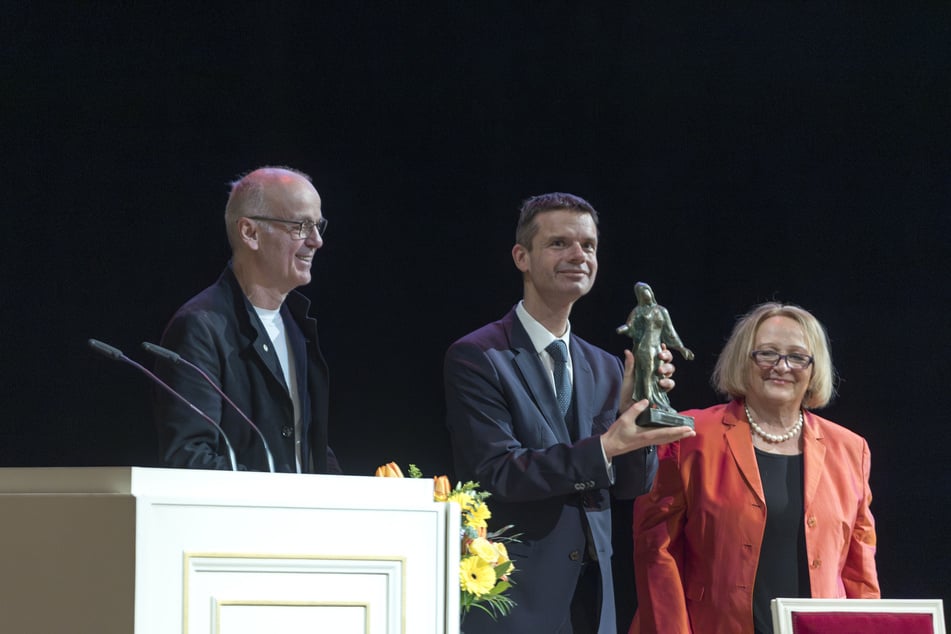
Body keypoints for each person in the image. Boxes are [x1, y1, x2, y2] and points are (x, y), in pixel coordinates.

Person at [444, 192, 696, 634]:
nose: (578, 255)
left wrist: (635, 420)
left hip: (592, 597)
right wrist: (605, 445)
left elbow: (633, 485)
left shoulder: (605, 365)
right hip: (512, 596)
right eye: (559, 243)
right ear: (522, 256)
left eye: (589, 246)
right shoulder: (478, 356)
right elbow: (498, 472)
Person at [630, 302, 879, 634]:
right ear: (743, 360)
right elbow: (657, 553)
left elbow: (859, 572)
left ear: (813, 367)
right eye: (767, 353)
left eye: (797, 356)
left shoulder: (850, 449)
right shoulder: (689, 436)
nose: (781, 366)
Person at [152, 166, 341, 474]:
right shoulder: (200, 328)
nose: (317, 240)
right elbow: (189, 459)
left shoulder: (296, 324)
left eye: (318, 225)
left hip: (299, 518)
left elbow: (308, 447)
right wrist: (275, 494)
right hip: (240, 519)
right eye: (302, 226)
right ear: (250, 232)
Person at [617, 282, 694, 412]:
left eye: (645, 290)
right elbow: (630, 325)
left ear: (650, 292)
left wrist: (682, 348)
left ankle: (658, 402)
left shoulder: (662, 310)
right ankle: (648, 402)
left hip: (657, 348)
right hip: (644, 348)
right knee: (646, 374)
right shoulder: (638, 310)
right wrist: (623, 329)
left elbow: (671, 332)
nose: (644, 293)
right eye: (641, 292)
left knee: (657, 376)